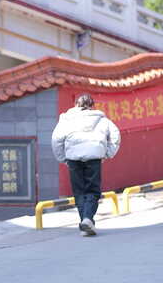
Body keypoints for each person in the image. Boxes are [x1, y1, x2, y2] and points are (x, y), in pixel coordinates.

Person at [51, 93, 120, 236]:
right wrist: (107, 153)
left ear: (76, 104)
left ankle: (86, 222)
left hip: (73, 159)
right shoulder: (102, 119)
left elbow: (56, 140)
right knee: (92, 190)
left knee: (79, 192)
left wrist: (63, 158)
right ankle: (87, 220)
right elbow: (115, 136)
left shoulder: (66, 120)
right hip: (94, 157)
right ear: (92, 106)